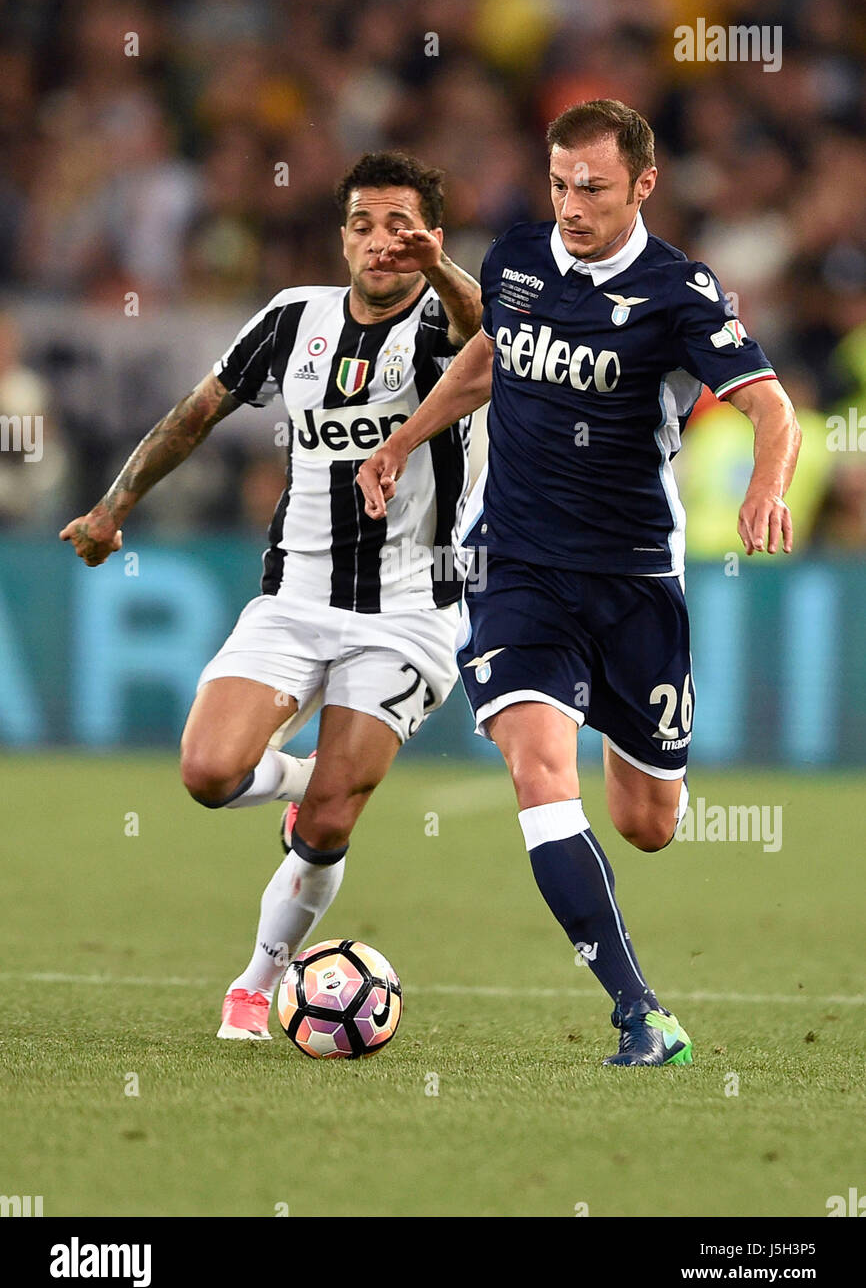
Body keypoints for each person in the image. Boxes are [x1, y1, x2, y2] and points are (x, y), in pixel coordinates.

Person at [357, 100, 802, 1067]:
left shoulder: (680, 292)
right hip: (515, 565)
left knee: (649, 825)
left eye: (593, 188)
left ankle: (615, 737)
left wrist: (767, 487)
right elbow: (486, 360)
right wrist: (401, 438)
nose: (572, 204)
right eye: (560, 183)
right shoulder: (515, 262)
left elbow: (773, 409)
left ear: (642, 184)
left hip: (634, 581)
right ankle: (640, 1012)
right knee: (538, 776)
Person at [60, 151, 482, 1040]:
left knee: (330, 820)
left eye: (400, 226)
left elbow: (482, 332)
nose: (380, 243)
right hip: (294, 595)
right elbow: (197, 411)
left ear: (430, 236)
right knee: (208, 774)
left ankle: (256, 982)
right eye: (363, 225)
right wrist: (113, 506)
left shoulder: (447, 328)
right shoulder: (296, 319)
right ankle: (302, 781)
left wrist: (440, 266)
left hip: (410, 611)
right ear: (341, 235)